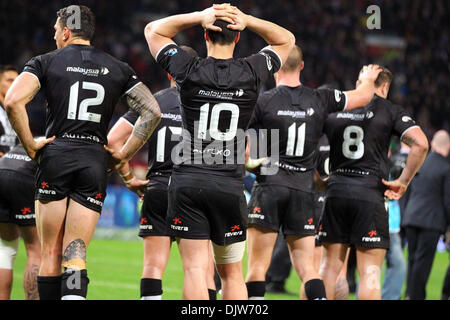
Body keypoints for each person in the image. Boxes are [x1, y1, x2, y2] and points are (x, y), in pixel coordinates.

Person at [5, 5, 161, 300]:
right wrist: (124, 154)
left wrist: (29, 144)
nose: (54, 36)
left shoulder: (46, 61)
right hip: (93, 160)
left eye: (55, 31)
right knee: (75, 252)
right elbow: (152, 112)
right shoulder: (117, 67)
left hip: (56, 155)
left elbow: (13, 101)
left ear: (66, 31)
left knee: (50, 251)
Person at [145, 3, 295, 299]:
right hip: (228, 183)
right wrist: (248, 19)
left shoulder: (187, 68)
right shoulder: (252, 71)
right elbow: (286, 39)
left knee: (196, 270)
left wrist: (199, 16)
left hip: (188, 180)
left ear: (205, 36)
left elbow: (153, 30)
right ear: (237, 37)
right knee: (231, 274)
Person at [245, 45, 382, 300]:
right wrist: (369, 79)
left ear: (274, 67)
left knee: (256, 269)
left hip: (270, 187)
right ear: (302, 66)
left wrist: (247, 162)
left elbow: (237, 136)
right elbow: (362, 97)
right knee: (309, 270)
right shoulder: (321, 98)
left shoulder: (264, 101)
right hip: (302, 192)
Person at [107, 46, 217, 300]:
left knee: (153, 266)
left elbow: (113, 140)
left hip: (157, 188)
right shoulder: (210, 106)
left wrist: (129, 178)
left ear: (170, 72)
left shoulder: (153, 102)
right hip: (195, 190)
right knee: (200, 270)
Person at [319, 66, 429, 300]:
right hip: (370, 193)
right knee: (370, 272)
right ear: (385, 86)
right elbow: (421, 143)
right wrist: (403, 181)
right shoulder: (389, 110)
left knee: (327, 269)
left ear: (359, 82)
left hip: (336, 192)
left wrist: (319, 180)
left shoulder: (339, 106)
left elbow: (310, 143)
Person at [402, 130, 449, 300]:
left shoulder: (420, 163)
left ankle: (409, 294)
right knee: (422, 264)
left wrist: (405, 215)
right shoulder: (446, 168)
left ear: (433, 143)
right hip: (431, 222)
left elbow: (407, 190)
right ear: (448, 147)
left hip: (411, 217)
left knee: (412, 260)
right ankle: (415, 297)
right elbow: (448, 201)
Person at [0, 144, 40, 300]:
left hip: (2, 170)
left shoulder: (34, 140)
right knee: (36, 249)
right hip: (23, 177)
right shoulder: (64, 147)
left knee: (6, 248)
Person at [381, 144, 408, 300]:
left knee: (370, 267)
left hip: (391, 225)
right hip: (386, 223)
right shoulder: (381, 167)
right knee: (395, 265)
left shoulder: (388, 166)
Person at [0, 65, 19, 157]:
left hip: (12, 164)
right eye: (10, 81)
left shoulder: (18, 110)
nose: (15, 85)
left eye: (17, 81)